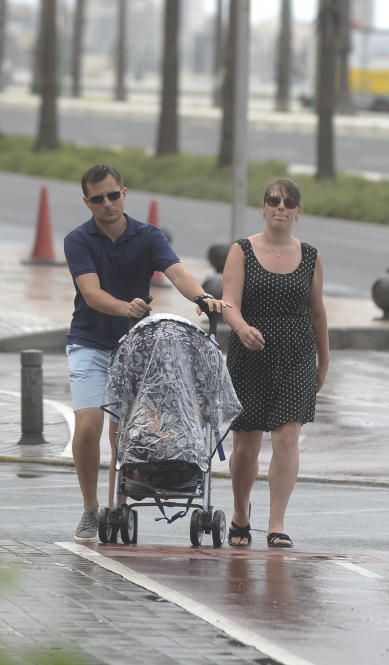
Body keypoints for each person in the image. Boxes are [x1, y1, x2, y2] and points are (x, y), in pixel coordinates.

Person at [63, 164, 230, 543]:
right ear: (87, 202)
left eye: (113, 195)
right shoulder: (78, 240)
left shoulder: (147, 236)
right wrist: (126, 308)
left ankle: (115, 508)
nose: (107, 204)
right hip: (90, 341)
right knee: (88, 425)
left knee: (123, 434)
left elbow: (178, 272)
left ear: (124, 192)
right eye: (97, 199)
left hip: (137, 348)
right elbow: (90, 293)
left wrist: (202, 298)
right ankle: (91, 508)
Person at [221, 178, 329, 548]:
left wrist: (323, 361)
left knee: (286, 439)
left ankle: (276, 523)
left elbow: (317, 314)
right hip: (249, 353)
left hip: (297, 354)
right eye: (273, 200)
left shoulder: (311, 257)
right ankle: (240, 513)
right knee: (246, 446)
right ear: (263, 207)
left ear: (298, 211)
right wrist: (241, 327)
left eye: (288, 202)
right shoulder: (241, 251)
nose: (280, 207)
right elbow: (229, 302)